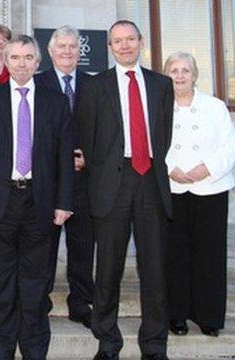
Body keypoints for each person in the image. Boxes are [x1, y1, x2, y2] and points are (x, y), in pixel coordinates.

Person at [0, 34, 74, 360]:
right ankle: (1, 350)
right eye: (15, 57)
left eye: (28, 57)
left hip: (40, 203)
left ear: (38, 62)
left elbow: (63, 156)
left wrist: (64, 202)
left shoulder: (55, 101)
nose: (22, 63)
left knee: (36, 285)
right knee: (0, 285)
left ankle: (34, 351)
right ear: (6, 60)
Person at [77, 20, 174, 360]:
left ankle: (154, 345)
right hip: (111, 186)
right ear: (110, 47)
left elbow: (165, 135)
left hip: (151, 182)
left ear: (141, 42)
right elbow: (86, 138)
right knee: (108, 269)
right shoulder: (93, 87)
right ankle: (107, 342)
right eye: (117, 41)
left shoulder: (162, 85)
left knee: (154, 269)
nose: (124, 46)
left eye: (130, 39)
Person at [163, 52, 235, 338]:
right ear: (166, 74)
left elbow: (229, 146)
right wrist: (170, 169)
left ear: (195, 75)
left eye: (185, 70)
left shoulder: (215, 106)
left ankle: (209, 317)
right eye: (174, 71)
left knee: (210, 254)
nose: (179, 76)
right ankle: (177, 315)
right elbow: (152, 143)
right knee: (175, 254)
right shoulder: (160, 105)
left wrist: (206, 168)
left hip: (210, 188)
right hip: (173, 187)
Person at [34, 25, 94, 329]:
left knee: (82, 245)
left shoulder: (95, 85)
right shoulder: (36, 83)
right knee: (43, 246)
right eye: (62, 46)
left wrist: (89, 158)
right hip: (48, 182)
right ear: (51, 50)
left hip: (84, 181)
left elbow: (104, 131)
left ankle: (81, 302)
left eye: (73, 47)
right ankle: (40, 300)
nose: (68, 51)